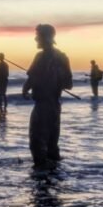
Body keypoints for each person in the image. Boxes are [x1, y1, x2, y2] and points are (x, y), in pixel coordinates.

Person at [22, 24, 73, 168]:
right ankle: (53, 177)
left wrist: (25, 89)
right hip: (55, 106)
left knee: (36, 142)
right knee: (52, 143)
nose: (35, 38)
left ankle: (40, 178)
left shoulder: (40, 56)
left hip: (42, 106)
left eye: (38, 35)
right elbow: (69, 84)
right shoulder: (63, 57)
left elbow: (31, 79)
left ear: (45, 37)